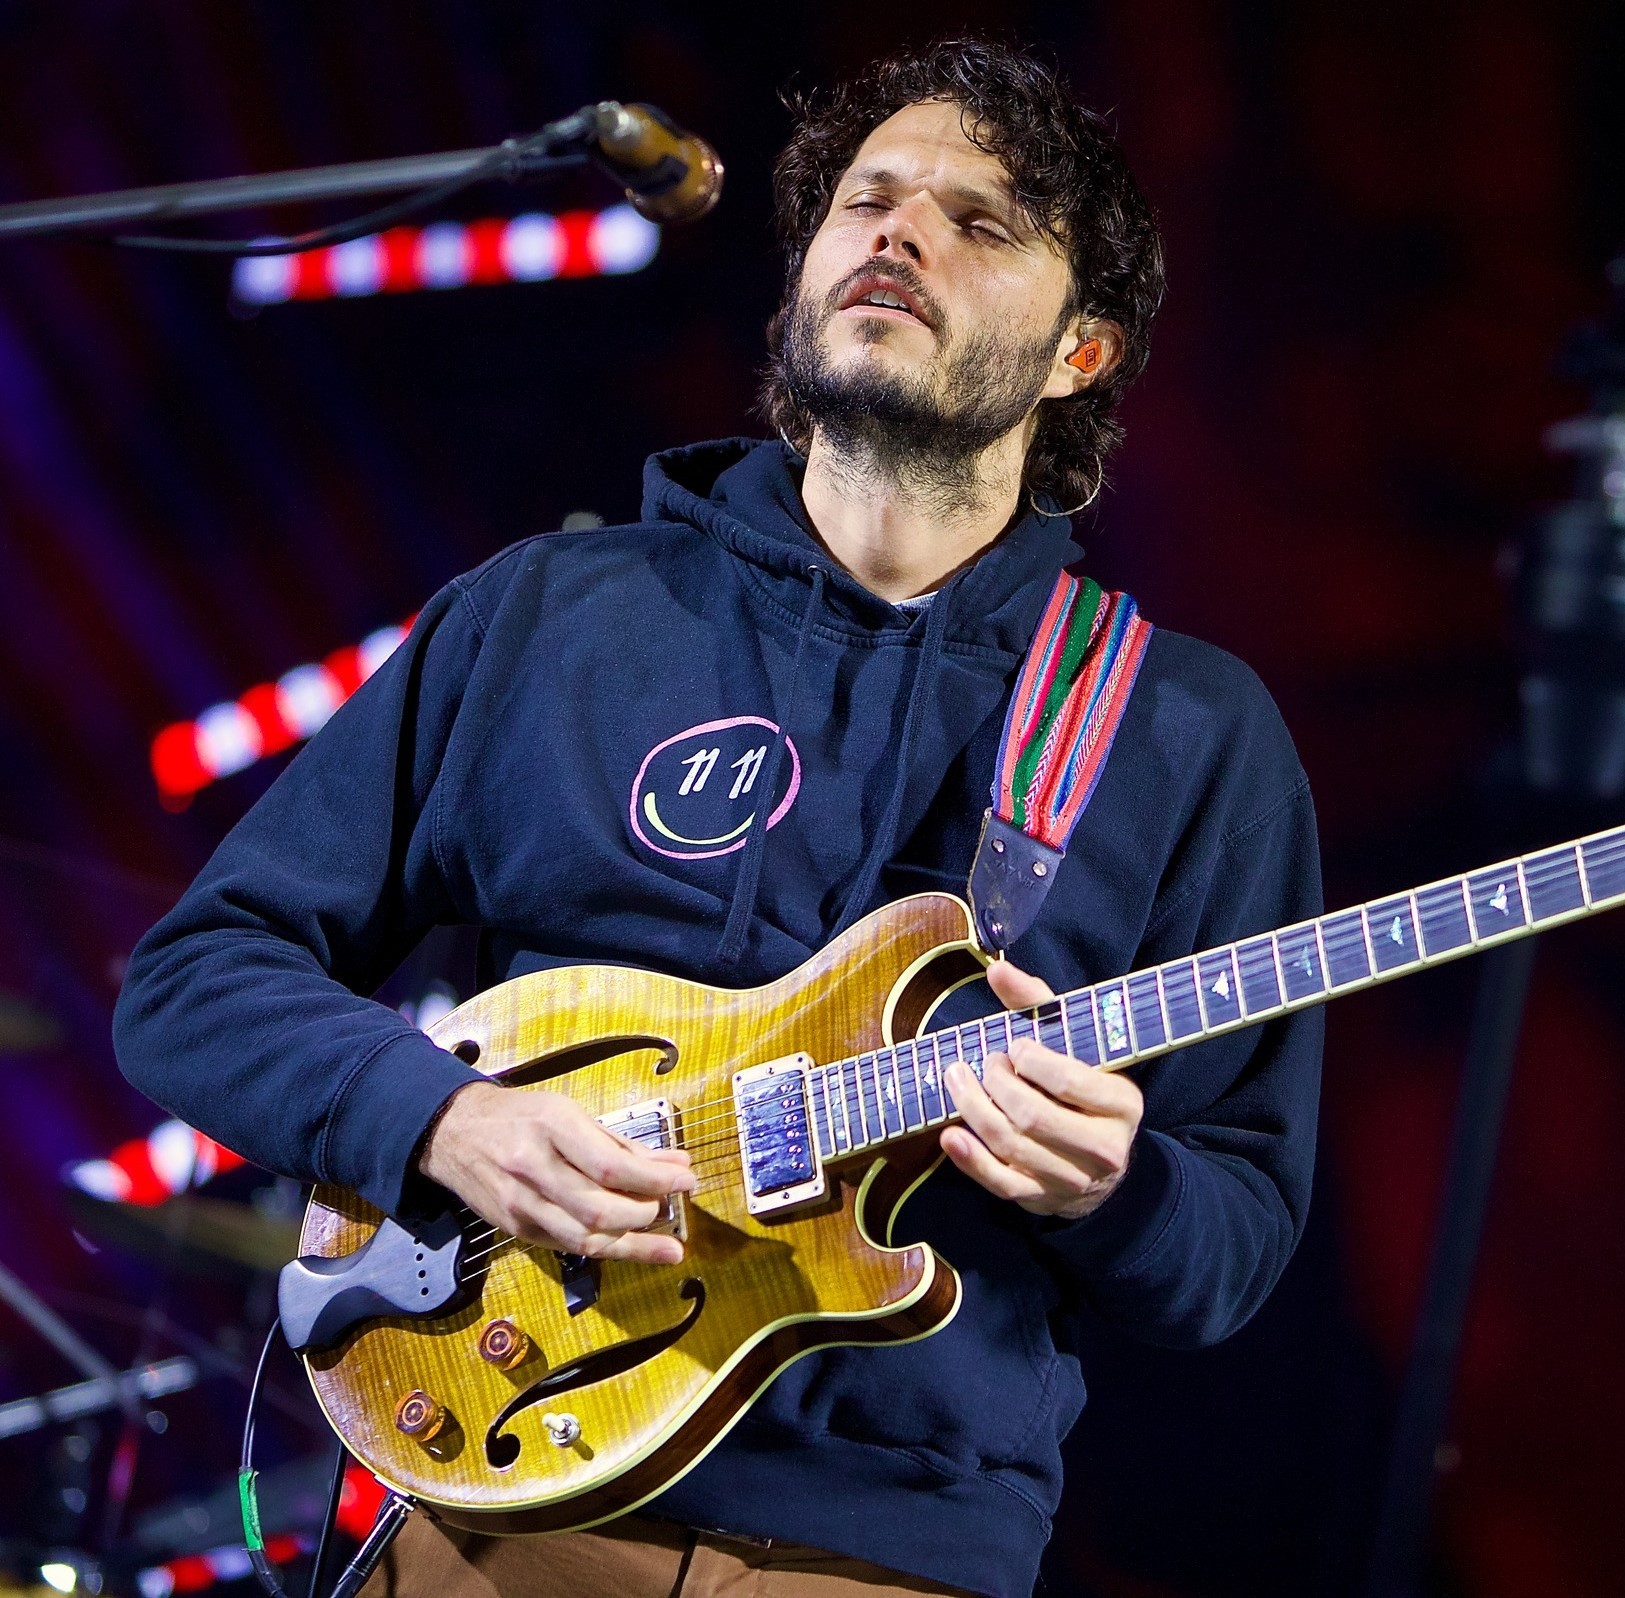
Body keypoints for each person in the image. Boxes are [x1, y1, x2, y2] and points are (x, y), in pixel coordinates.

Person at [114, 36, 1324, 1598]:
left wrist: (1120, 1183)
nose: (900, 232)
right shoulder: (549, 613)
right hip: (502, 1503)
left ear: (1079, 352)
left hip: (891, 1548)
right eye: (867, 202)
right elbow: (195, 977)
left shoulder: (1184, 729)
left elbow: (1228, 1245)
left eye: (981, 221)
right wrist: (442, 1117)